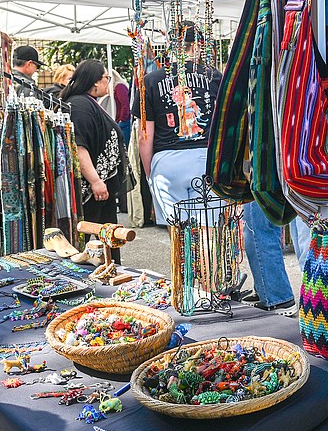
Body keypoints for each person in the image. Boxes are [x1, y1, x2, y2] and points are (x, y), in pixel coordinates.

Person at [135, 22, 222, 225]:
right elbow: (225, 126)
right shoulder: (215, 77)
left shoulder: (150, 81)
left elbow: (144, 136)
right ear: (198, 45)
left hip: (167, 162)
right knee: (208, 230)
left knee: (178, 231)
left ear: (169, 45)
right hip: (206, 159)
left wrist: (151, 173)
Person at [61, 60, 128, 259]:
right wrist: (95, 181)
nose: (108, 82)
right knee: (90, 239)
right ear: (95, 81)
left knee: (106, 238)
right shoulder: (79, 105)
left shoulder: (86, 103)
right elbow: (79, 147)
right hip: (92, 191)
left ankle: (110, 269)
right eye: (106, 78)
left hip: (100, 188)